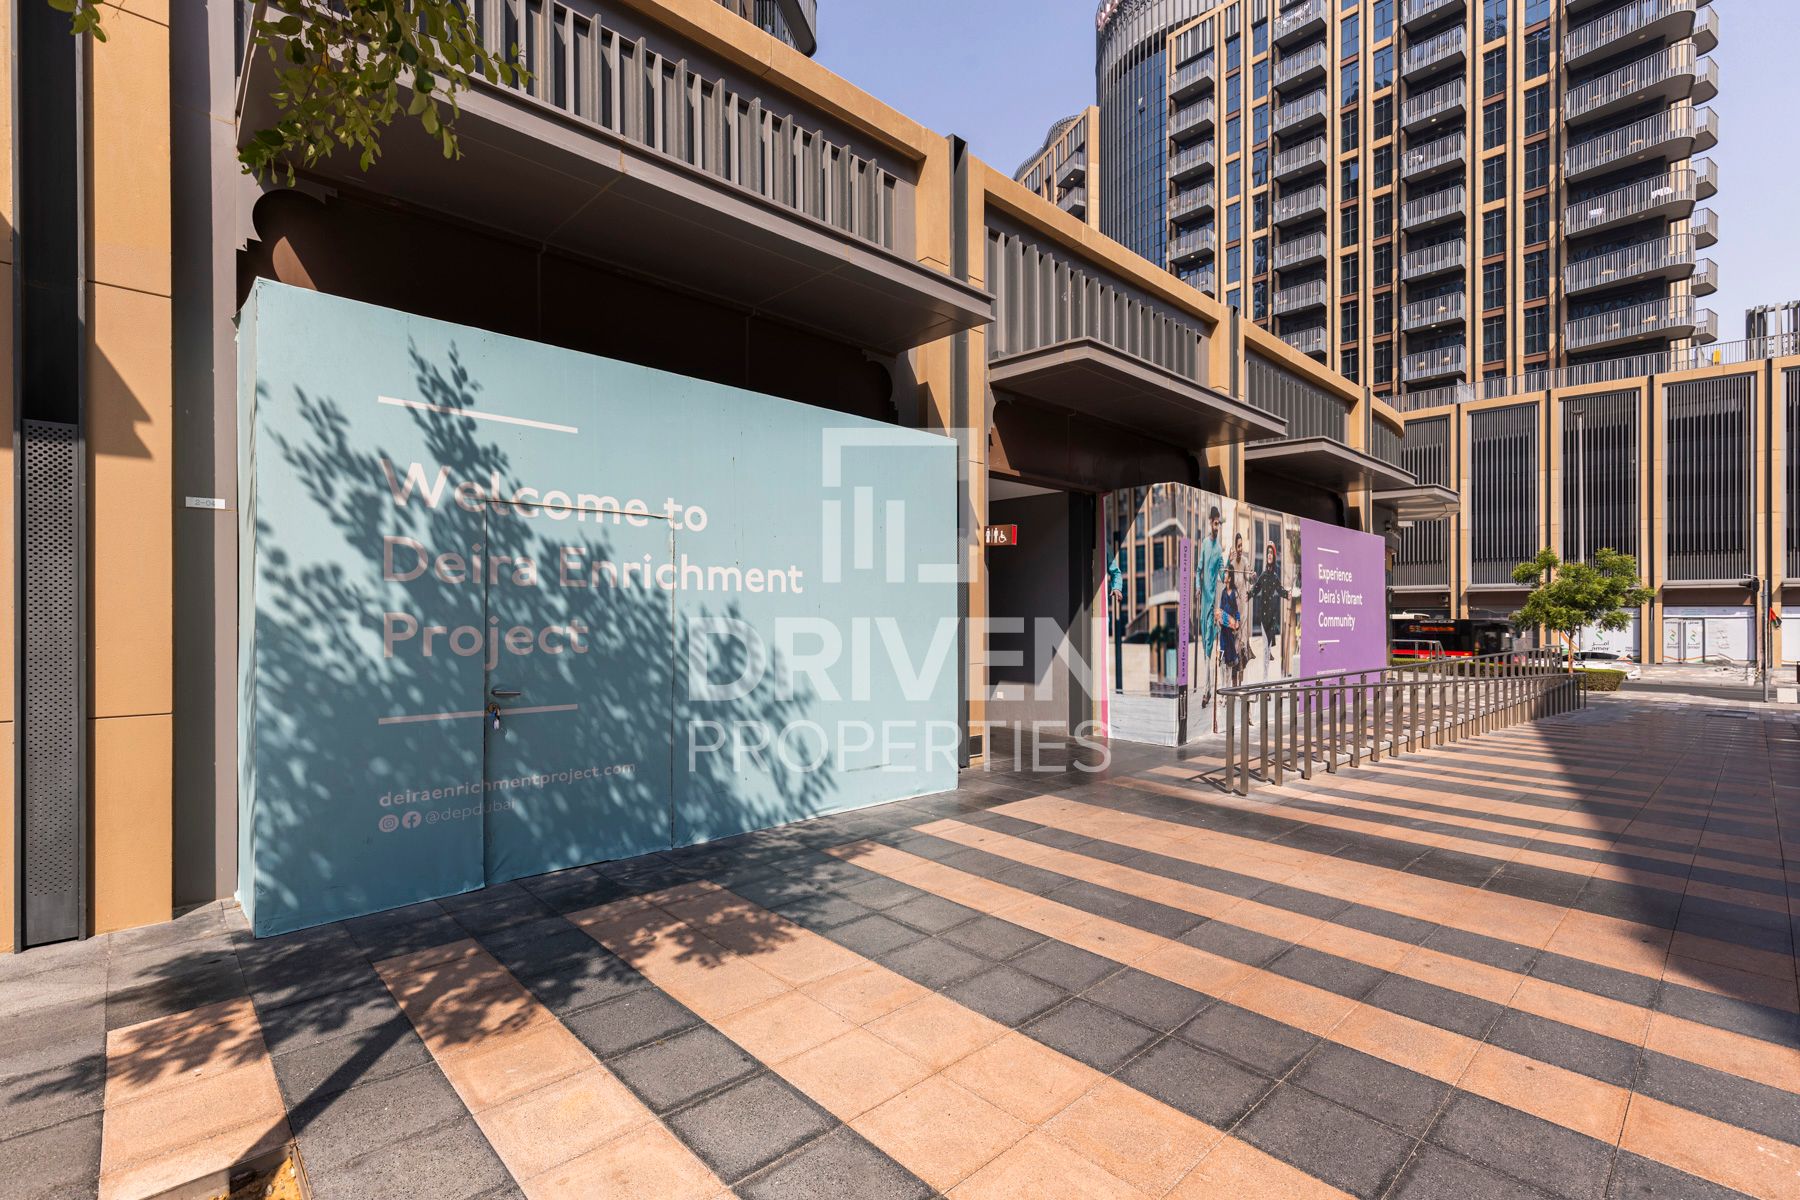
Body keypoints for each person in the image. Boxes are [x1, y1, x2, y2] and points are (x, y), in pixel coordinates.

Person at [1194, 506, 1225, 705]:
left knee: (1210, 644)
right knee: (1206, 646)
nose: (1217, 527)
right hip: (1204, 602)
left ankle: (1207, 691)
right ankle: (1208, 688)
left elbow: (1223, 573)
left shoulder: (1219, 548)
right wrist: (1198, 587)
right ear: (1210, 522)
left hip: (1214, 604)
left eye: (1219, 524)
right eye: (1215, 523)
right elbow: (1198, 570)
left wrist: (1228, 569)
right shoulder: (1205, 544)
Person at [1250, 539, 1290, 678]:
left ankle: (1266, 677)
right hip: (1263, 615)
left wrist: (1287, 594)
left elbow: (1280, 590)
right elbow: (1255, 588)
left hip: (1272, 617)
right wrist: (1248, 594)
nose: (1269, 555)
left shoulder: (1275, 577)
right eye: (1267, 552)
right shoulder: (1263, 575)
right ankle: (1265, 678)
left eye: (1271, 553)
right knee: (1265, 647)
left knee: (1267, 647)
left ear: (1274, 556)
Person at [1219, 567, 1245, 690]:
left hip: (1231, 632)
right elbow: (1220, 610)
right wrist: (1219, 620)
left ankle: (1228, 689)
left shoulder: (1235, 593)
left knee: (1230, 662)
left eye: (1225, 574)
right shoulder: (1223, 593)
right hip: (1223, 632)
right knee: (1221, 660)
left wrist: (1237, 622)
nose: (1224, 576)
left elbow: (1237, 610)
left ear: (1229, 578)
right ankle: (1222, 686)